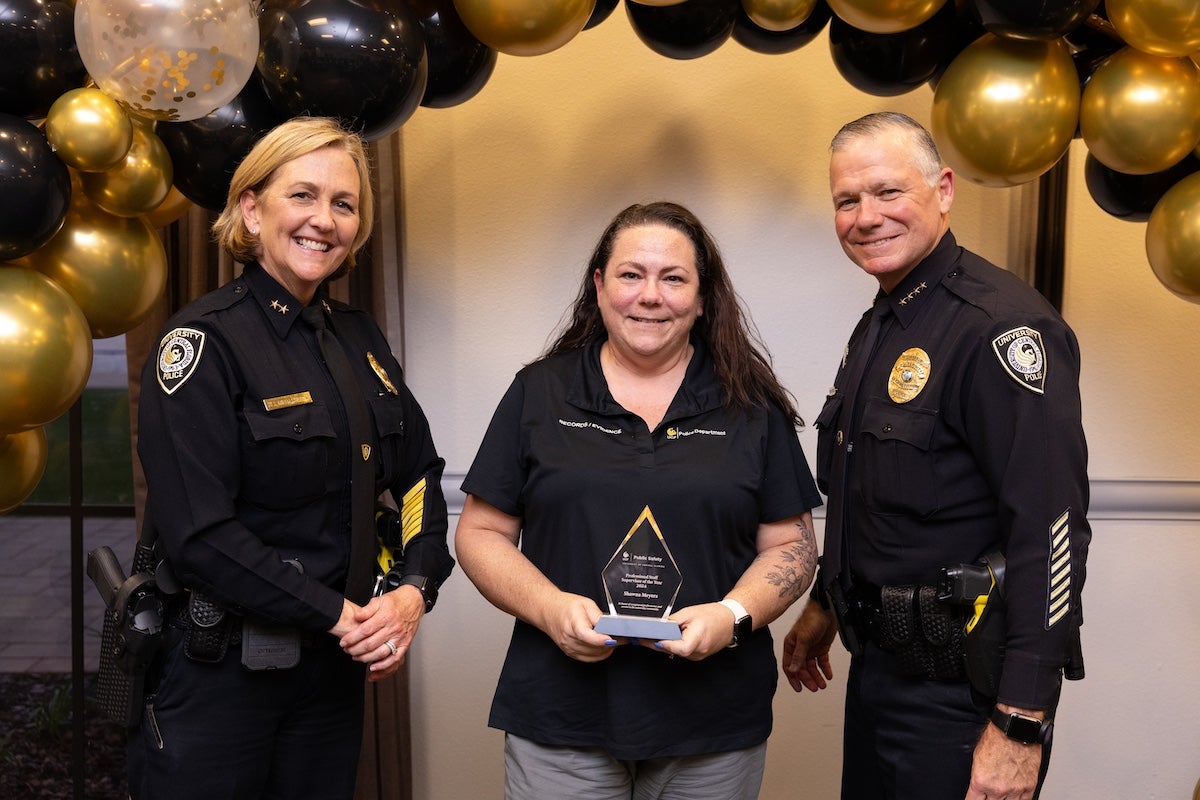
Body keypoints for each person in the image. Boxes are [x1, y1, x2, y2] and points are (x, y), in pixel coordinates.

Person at [129, 116, 454, 799]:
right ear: (251, 209)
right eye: (302, 195)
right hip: (222, 678)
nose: (324, 221)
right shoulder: (201, 343)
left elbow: (420, 473)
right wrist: (341, 615)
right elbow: (201, 536)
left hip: (331, 679)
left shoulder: (360, 337)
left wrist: (411, 592)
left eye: (344, 203)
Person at [454, 201, 822, 800]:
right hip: (562, 717)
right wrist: (550, 609)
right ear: (600, 287)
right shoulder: (539, 392)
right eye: (631, 274)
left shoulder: (752, 408)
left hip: (713, 725)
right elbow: (479, 533)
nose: (650, 295)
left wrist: (729, 618)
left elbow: (793, 547)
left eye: (674, 278)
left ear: (703, 298)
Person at [781, 111, 1090, 800]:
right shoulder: (881, 326)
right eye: (847, 200)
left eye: (888, 192)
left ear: (944, 190)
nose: (866, 217)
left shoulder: (1001, 328)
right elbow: (871, 496)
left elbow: (1051, 533)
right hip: (881, 678)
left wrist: (1019, 724)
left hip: (964, 697)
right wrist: (829, 603)